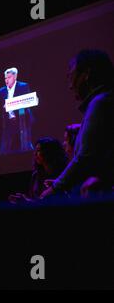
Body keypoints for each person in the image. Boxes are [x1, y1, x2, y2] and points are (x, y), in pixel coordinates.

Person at [41, 49, 114, 199]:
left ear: (86, 74)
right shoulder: (102, 101)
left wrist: (54, 189)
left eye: (71, 76)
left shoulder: (100, 103)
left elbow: (85, 158)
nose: (70, 85)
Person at [0, 67, 35, 154]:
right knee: (5, 149)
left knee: (26, 146)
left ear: (15, 77)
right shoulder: (2, 90)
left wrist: (10, 104)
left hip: (22, 121)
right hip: (8, 123)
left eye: (9, 77)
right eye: (5, 78)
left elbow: (27, 101)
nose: (6, 80)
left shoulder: (23, 86)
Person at [8, 137, 68, 203]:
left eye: (39, 150)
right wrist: (25, 200)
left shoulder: (64, 173)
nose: (35, 154)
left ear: (49, 152)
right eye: (35, 151)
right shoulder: (36, 175)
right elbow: (35, 200)